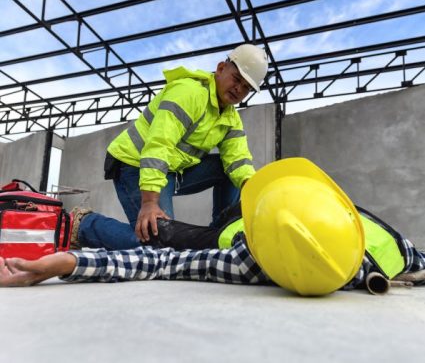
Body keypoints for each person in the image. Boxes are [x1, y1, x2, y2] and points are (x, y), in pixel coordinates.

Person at [2, 158, 425, 296]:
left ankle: (86, 225)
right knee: (156, 230)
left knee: (159, 240)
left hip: (228, 229)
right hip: (152, 168)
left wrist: (68, 263)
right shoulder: (396, 249)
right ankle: (90, 225)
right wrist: (150, 199)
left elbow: (158, 266)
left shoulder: (248, 258)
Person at [104, 44, 269, 243]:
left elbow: (239, 161)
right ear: (221, 68)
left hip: (171, 170)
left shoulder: (230, 118)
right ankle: (84, 225)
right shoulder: (188, 93)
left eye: (246, 88)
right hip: (134, 164)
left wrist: (256, 192)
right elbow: (159, 143)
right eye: (236, 79)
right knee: (161, 239)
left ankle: (219, 235)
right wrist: (149, 202)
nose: (238, 89)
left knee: (229, 171)